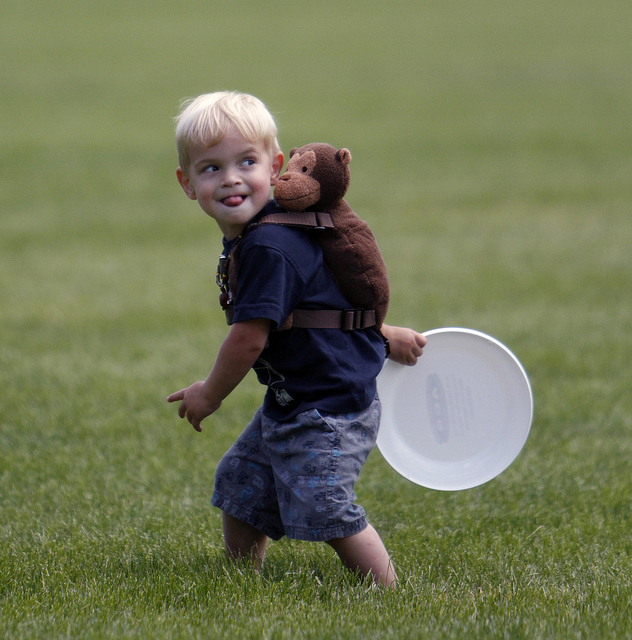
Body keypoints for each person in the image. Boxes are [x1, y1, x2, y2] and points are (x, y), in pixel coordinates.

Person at [167, 91, 426, 587]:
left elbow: (248, 340)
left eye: (247, 162)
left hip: (328, 405)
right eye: (211, 168)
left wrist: (209, 393)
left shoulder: (269, 245)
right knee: (242, 484)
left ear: (275, 166)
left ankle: (389, 592)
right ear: (187, 183)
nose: (231, 178)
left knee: (324, 503)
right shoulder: (262, 234)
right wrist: (382, 334)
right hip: (294, 398)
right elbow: (320, 301)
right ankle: (241, 580)